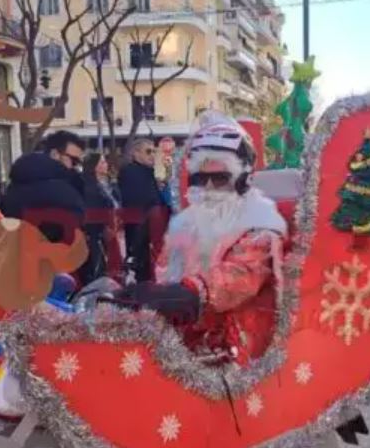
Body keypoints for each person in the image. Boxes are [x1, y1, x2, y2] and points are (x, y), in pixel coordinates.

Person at [115, 112, 288, 366]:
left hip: (237, 346)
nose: (207, 187)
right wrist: (152, 292)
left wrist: (192, 291)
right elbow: (165, 266)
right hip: (186, 336)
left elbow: (243, 274)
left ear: (242, 178)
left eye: (218, 178)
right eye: (200, 178)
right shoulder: (187, 223)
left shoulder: (259, 223)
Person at [0, 130, 86, 244]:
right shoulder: (64, 189)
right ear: (55, 154)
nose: (75, 167)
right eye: (73, 161)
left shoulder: (16, 182)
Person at [117, 138, 168, 283]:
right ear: (136, 153)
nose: (152, 155)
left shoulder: (150, 172)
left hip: (151, 231)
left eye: (154, 151)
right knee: (142, 271)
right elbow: (141, 201)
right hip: (140, 232)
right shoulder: (130, 172)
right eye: (148, 151)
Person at [79, 153, 123, 285]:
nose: (106, 165)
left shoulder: (107, 184)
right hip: (96, 233)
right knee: (98, 266)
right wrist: (102, 227)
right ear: (93, 166)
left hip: (112, 230)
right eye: (102, 162)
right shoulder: (88, 186)